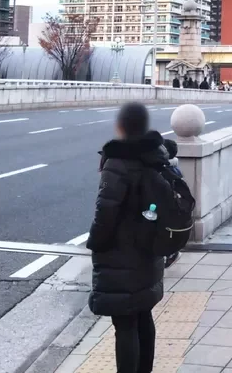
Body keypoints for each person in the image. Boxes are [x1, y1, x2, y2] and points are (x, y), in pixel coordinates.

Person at [87, 102, 177, 373]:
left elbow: (106, 212)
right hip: (148, 249)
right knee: (143, 314)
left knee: (125, 325)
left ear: (121, 126)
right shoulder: (156, 156)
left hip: (121, 253)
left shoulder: (118, 161)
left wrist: (95, 243)